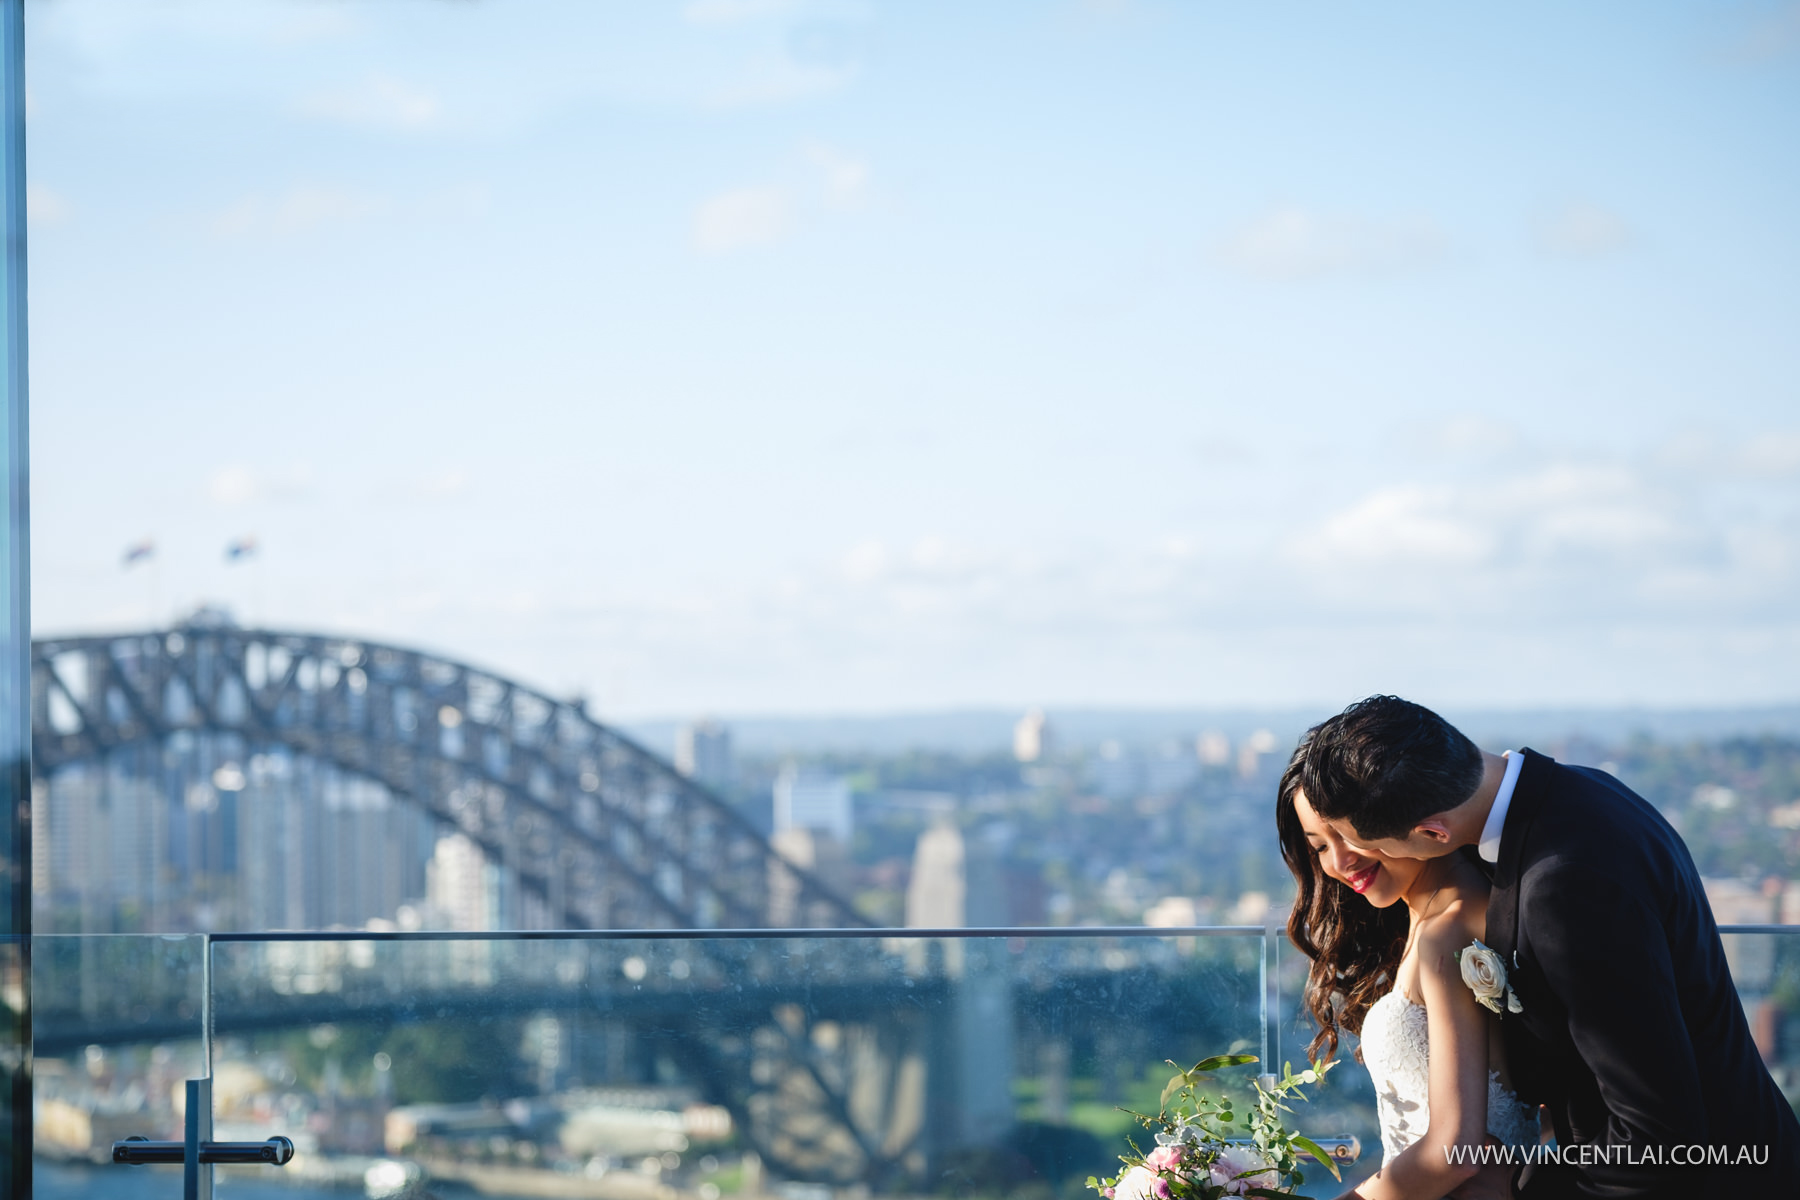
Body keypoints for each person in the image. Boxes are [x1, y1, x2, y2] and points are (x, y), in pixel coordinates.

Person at [1292, 695, 1800, 1199]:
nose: (1346, 862)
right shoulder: (1586, 789)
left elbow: (1658, 1129)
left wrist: (1519, 1186)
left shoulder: (1563, 885)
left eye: (1369, 845)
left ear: (1431, 831)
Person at [1279, 756, 1534, 1199]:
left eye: (1345, 832)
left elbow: (1457, 1150)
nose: (1340, 861)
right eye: (1320, 846)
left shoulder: (1449, 929)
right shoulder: (1434, 914)